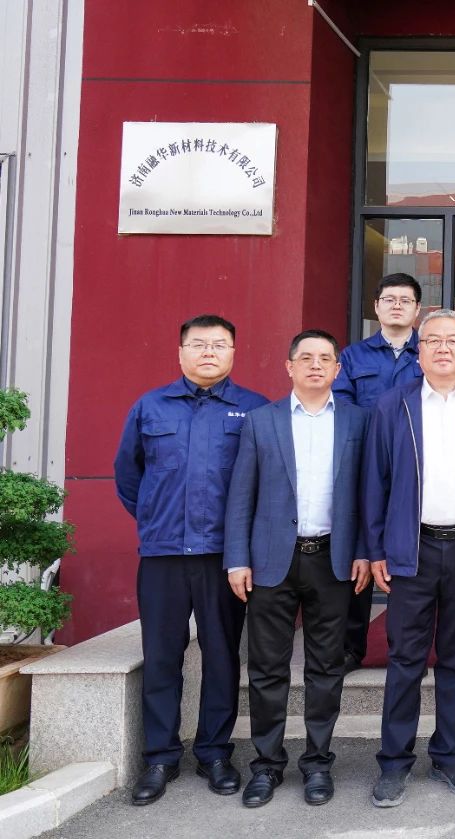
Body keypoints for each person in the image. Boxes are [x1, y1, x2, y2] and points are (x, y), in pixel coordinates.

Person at [113, 314, 268, 805]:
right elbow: (128, 476)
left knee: (222, 657)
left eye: (219, 345)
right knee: (162, 657)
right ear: (180, 352)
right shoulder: (150, 406)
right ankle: (160, 757)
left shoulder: (253, 409)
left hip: (225, 557)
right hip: (163, 554)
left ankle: (215, 753)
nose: (208, 352)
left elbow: (264, 483)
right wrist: (155, 518)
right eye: (198, 344)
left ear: (233, 353)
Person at [361, 310, 455, 807]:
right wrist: (375, 549)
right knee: (405, 658)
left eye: (454, 341)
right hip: (412, 549)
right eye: (433, 341)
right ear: (418, 351)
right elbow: (375, 482)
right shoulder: (392, 404)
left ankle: (449, 754)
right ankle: (394, 762)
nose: (443, 348)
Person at [224, 330, 371, 808]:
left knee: (326, 667)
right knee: (267, 668)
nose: (315, 365)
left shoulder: (357, 421)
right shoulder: (260, 421)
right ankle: (266, 765)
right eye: (305, 357)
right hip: (272, 561)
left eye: (325, 358)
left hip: (333, 559)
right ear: (289, 367)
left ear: (337, 370)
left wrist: (364, 550)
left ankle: (317, 763)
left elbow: (368, 494)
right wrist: (237, 559)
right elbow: (241, 496)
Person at [333, 272, 424, 674]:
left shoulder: (429, 351)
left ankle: (406, 646)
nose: (397, 306)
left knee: (407, 558)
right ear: (376, 307)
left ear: (418, 309)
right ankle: (351, 646)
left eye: (405, 300)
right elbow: (343, 409)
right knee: (360, 553)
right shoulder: (353, 357)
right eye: (390, 299)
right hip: (364, 467)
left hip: (415, 470)